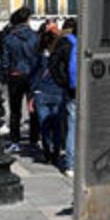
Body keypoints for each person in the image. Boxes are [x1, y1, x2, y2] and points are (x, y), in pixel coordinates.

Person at [0, 8, 38, 151]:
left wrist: (5, 75)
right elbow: (37, 57)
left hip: (15, 75)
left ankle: (15, 141)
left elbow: (5, 60)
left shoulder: (9, 38)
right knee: (33, 108)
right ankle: (34, 139)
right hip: (32, 75)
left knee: (15, 111)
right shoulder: (35, 36)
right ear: (27, 19)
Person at [29, 28, 66, 165]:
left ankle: (47, 154)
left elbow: (33, 77)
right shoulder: (59, 57)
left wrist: (31, 95)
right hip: (58, 93)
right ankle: (56, 152)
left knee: (44, 126)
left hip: (41, 93)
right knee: (56, 126)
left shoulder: (38, 59)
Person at [52, 18, 78, 176]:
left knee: (72, 126)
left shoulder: (65, 42)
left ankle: (70, 164)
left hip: (72, 90)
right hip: (91, 89)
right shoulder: (91, 42)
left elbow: (53, 64)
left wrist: (63, 82)